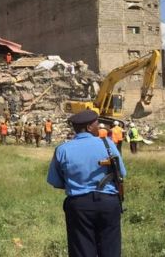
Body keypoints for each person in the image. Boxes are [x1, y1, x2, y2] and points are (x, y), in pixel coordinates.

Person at [47, 110, 127, 257]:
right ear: (89, 127)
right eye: (97, 124)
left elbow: (55, 181)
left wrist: (77, 183)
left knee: (81, 248)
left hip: (79, 205)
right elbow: (121, 174)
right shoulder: (108, 145)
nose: (99, 127)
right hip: (108, 203)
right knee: (111, 248)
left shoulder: (62, 149)